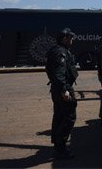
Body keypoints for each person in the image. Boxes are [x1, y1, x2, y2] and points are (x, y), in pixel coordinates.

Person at [45, 27, 78, 160]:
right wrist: (64, 90)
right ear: (64, 38)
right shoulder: (61, 53)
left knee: (59, 116)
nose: (72, 40)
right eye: (70, 38)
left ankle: (58, 146)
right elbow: (59, 74)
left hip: (56, 88)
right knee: (69, 117)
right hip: (62, 89)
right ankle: (61, 147)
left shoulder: (56, 50)